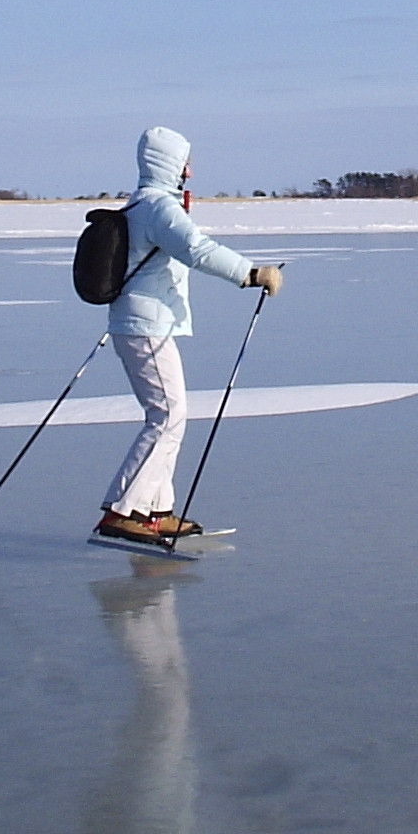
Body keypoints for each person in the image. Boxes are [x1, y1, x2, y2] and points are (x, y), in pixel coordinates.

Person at [96, 127, 283, 549]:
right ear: (169, 164)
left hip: (144, 323)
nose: (191, 171)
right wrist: (251, 274)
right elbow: (196, 249)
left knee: (171, 415)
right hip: (146, 326)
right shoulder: (159, 209)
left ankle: (155, 511)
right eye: (185, 163)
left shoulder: (143, 204)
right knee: (167, 416)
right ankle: (123, 512)